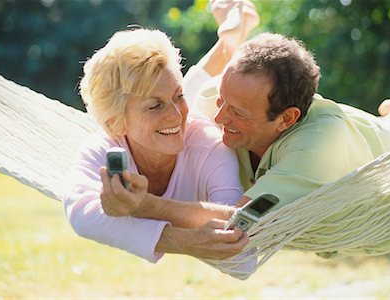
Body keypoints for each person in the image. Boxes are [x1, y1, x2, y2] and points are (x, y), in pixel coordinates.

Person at [100, 32, 390, 258]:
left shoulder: (315, 150)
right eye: (223, 100)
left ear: (285, 119)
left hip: (378, 176)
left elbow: (239, 222)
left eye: (237, 112)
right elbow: (172, 106)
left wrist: (145, 205)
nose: (220, 115)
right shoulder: (218, 95)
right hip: (349, 132)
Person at [64, 0, 263, 263]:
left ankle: (231, 40)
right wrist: (182, 241)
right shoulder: (105, 146)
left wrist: (145, 205)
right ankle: (229, 39)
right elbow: (81, 212)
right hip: (162, 125)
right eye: (154, 106)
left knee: (191, 96)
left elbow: (238, 233)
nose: (176, 113)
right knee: (183, 94)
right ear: (116, 124)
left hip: (198, 125)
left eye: (176, 98)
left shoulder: (211, 145)